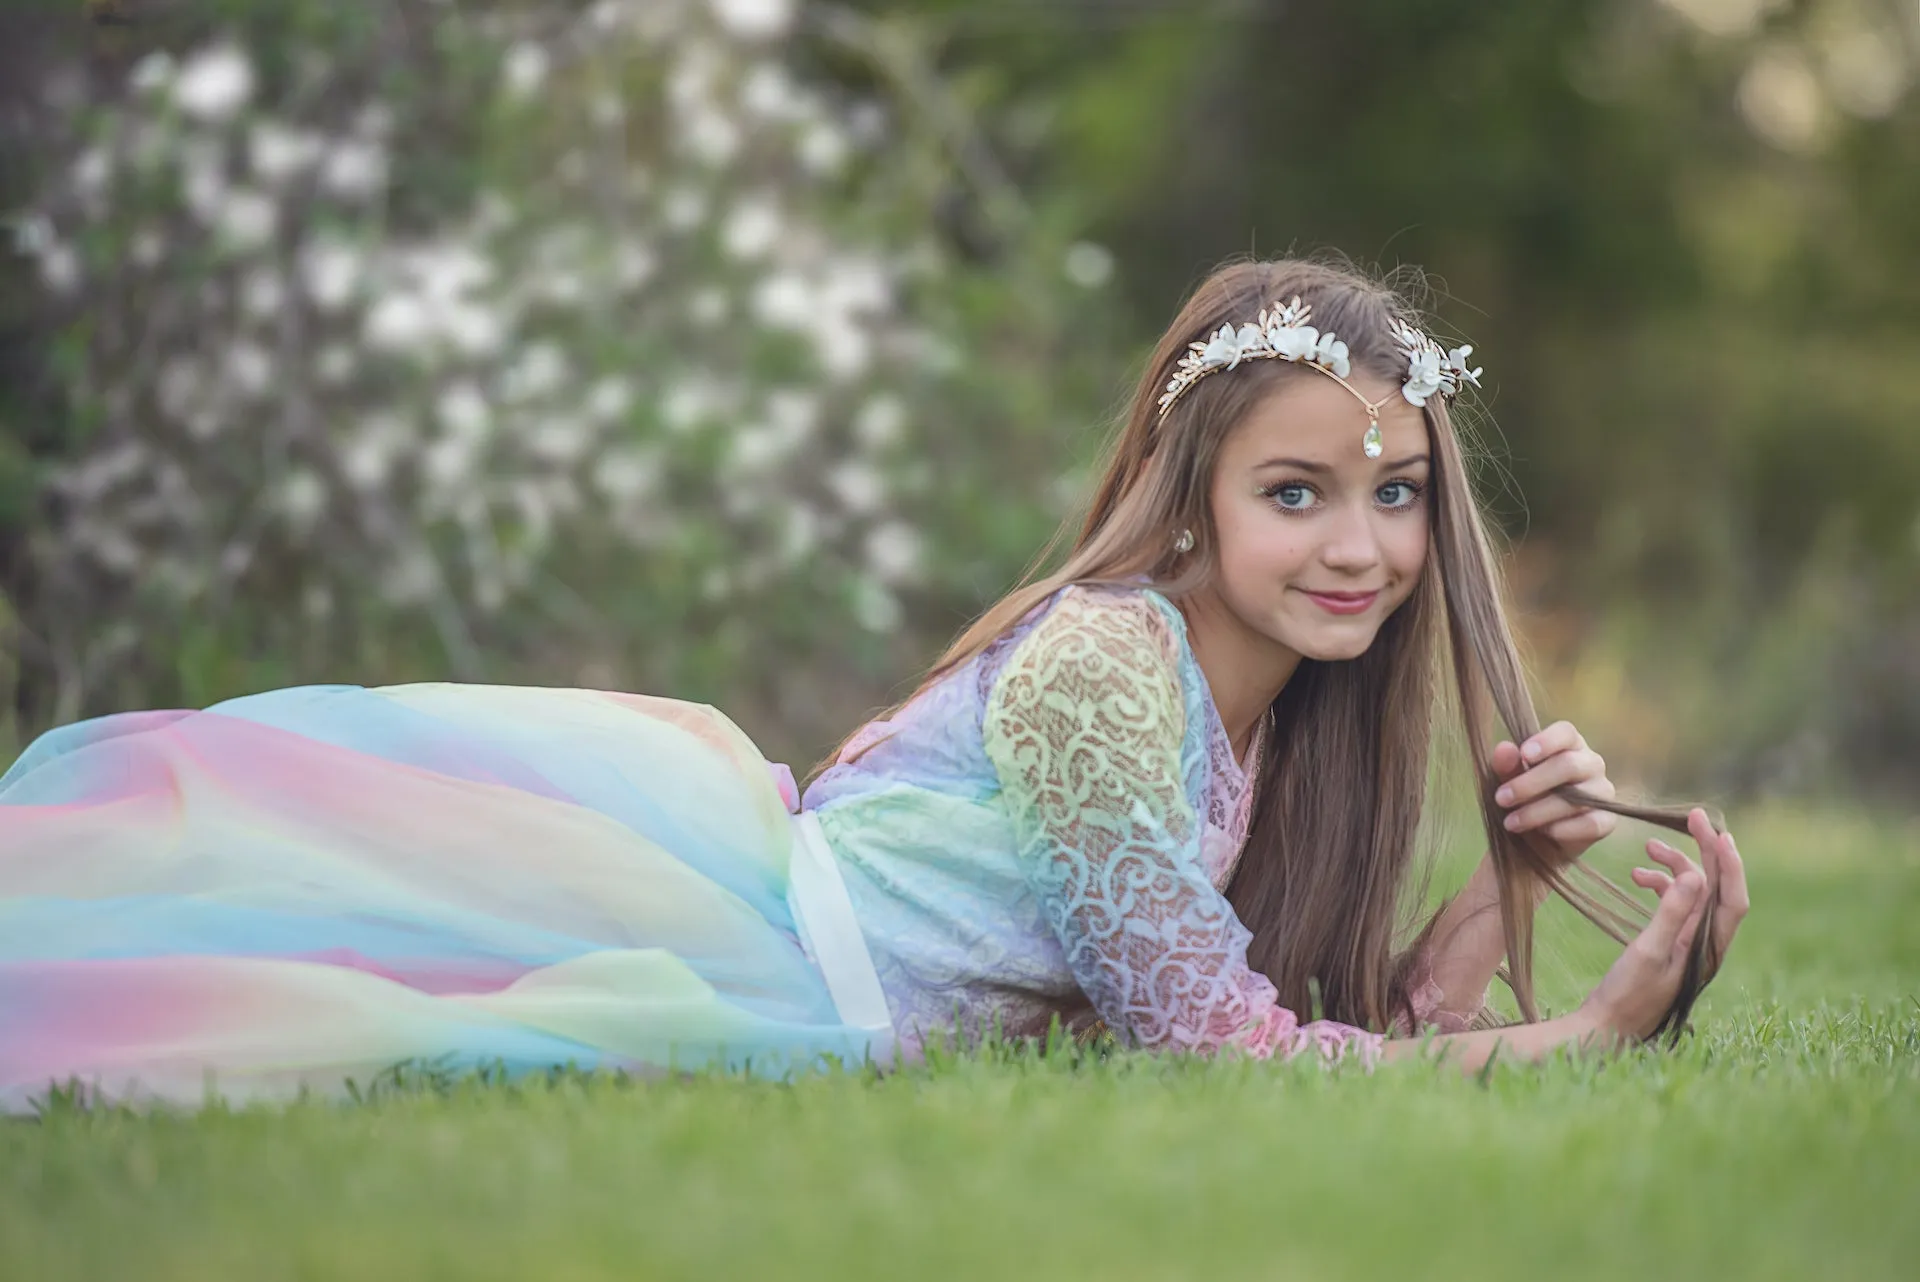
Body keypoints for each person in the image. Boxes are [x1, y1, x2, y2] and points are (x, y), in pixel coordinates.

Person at [0, 258, 1748, 1109]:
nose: (1359, 544)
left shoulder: (1271, 709)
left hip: (792, 931)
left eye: (1394, 492)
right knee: (252, 980)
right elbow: (1221, 1049)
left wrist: (1505, 884)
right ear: (1193, 497)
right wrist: (1579, 1035)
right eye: (1296, 492)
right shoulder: (1098, 674)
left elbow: (1325, 1015)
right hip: (760, 947)